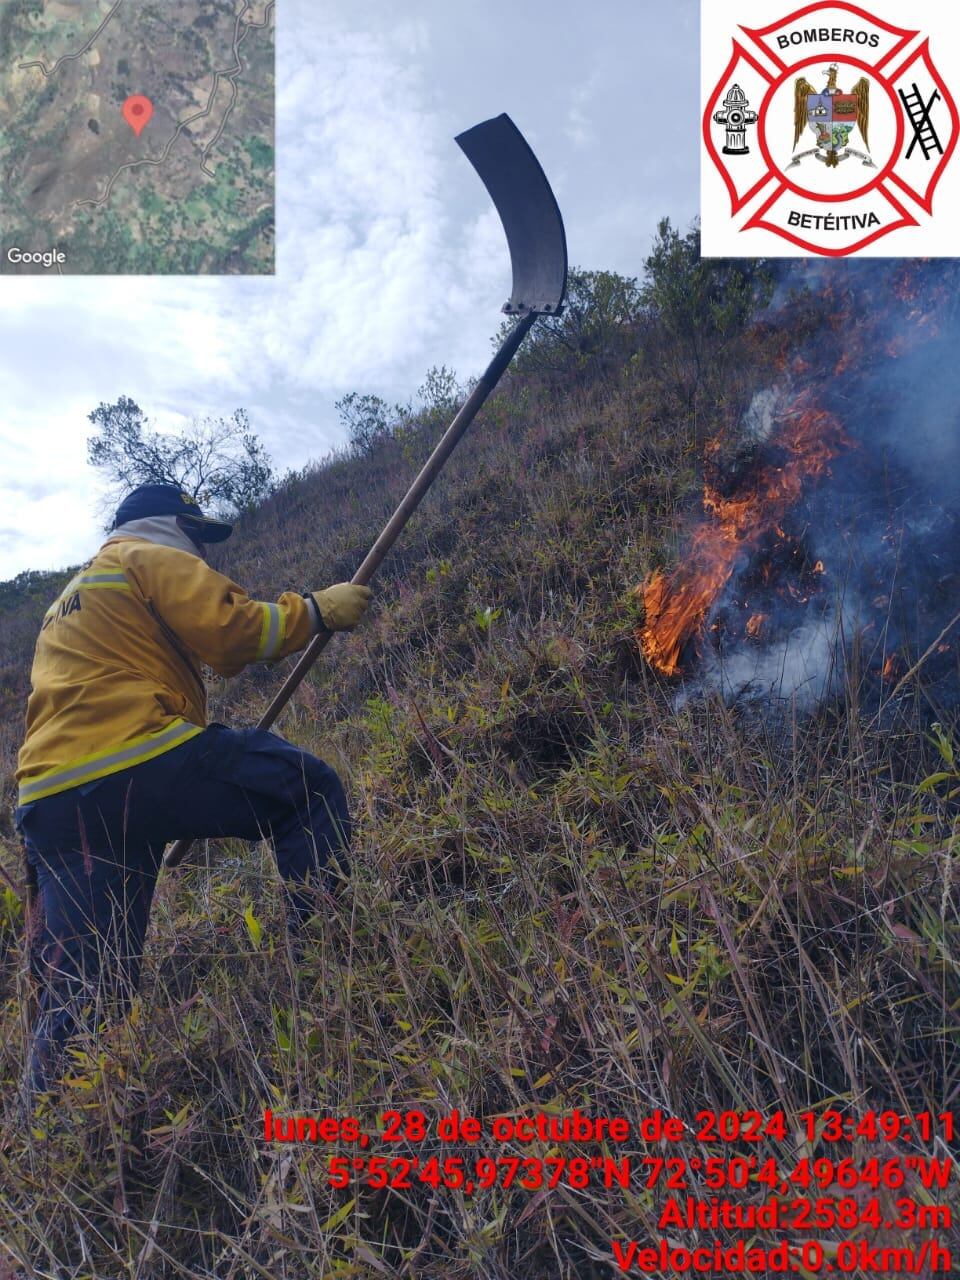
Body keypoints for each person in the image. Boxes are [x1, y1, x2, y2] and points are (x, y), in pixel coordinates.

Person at [14, 482, 371, 1102]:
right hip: (133, 759)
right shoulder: (148, 554)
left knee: (87, 990)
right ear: (173, 524)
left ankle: (37, 1138)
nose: (202, 550)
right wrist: (314, 610)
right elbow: (233, 634)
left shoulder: (67, 601)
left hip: (50, 800)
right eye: (198, 535)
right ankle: (329, 963)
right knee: (307, 792)